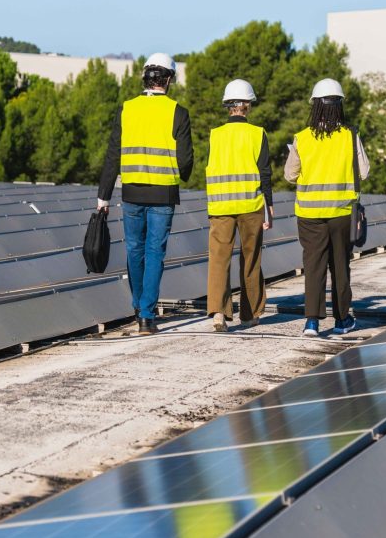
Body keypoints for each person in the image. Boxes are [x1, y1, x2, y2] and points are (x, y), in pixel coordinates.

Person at [98, 53, 193, 334]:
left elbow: (112, 155)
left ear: (146, 77)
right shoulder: (178, 111)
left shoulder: (126, 109)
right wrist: (182, 176)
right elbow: (185, 158)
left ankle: (139, 307)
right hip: (163, 194)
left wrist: (103, 196)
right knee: (154, 253)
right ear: (169, 80)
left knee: (134, 250)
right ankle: (147, 316)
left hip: (132, 192)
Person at [285, 78, 369, 337]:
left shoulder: (302, 138)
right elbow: (363, 172)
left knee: (314, 267)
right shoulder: (350, 135)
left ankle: (312, 322)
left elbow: (290, 175)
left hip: (309, 215)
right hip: (342, 214)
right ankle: (343, 320)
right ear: (339, 105)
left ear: (315, 106)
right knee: (341, 267)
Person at [205, 79, 273, 332]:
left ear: (228, 105)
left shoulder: (215, 135)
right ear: (247, 105)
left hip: (220, 207)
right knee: (250, 258)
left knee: (219, 259)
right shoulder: (258, 134)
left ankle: (219, 314)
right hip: (251, 205)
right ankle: (250, 313)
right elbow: (265, 173)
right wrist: (270, 206)